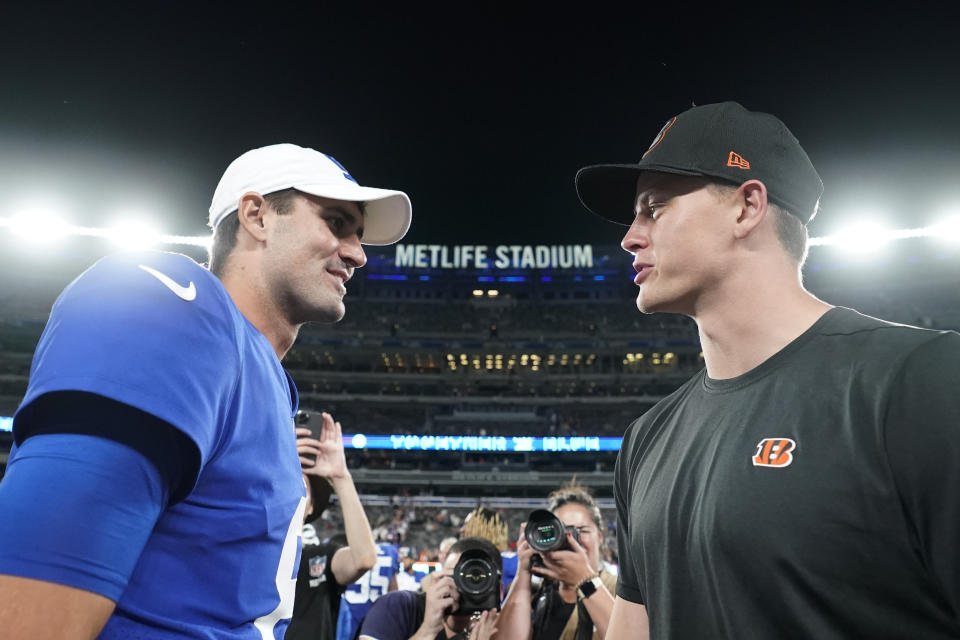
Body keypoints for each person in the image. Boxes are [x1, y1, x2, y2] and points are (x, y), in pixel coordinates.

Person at [574, 101, 960, 638]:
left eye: (655, 209)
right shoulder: (646, 440)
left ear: (746, 207)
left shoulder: (923, 381)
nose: (630, 237)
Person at [0, 143, 411, 638]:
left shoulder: (264, 380)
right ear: (257, 216)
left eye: (359, 235)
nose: (358, 254)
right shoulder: (172, 302)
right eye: (336, 222)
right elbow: (30, 614)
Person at [286, 412, 378, 640]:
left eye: (303, 484)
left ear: (311, 508)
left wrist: (340, 477)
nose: (295, 488)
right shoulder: (250, 550)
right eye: (289, 478)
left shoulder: (318, 557)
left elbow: (364, 559)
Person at [495, 483, 616, 640]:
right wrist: (523, 572)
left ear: (600, 537)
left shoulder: (617, 588)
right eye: (563, 531)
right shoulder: (535, 593)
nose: (572, 539)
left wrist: (584, 579)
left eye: (583, 531)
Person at [358, 537, 501, 640]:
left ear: (498, 591)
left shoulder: (502, 629)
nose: (464, 589)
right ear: (438, 578)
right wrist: (427, 630)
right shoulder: (399, 606)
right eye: (457, 577)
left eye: (477, 581)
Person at [336, 537, 401, 640]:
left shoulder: (342, 544)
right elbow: (394, 592)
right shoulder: (390, 551)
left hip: (348, 613)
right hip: (378, 617)